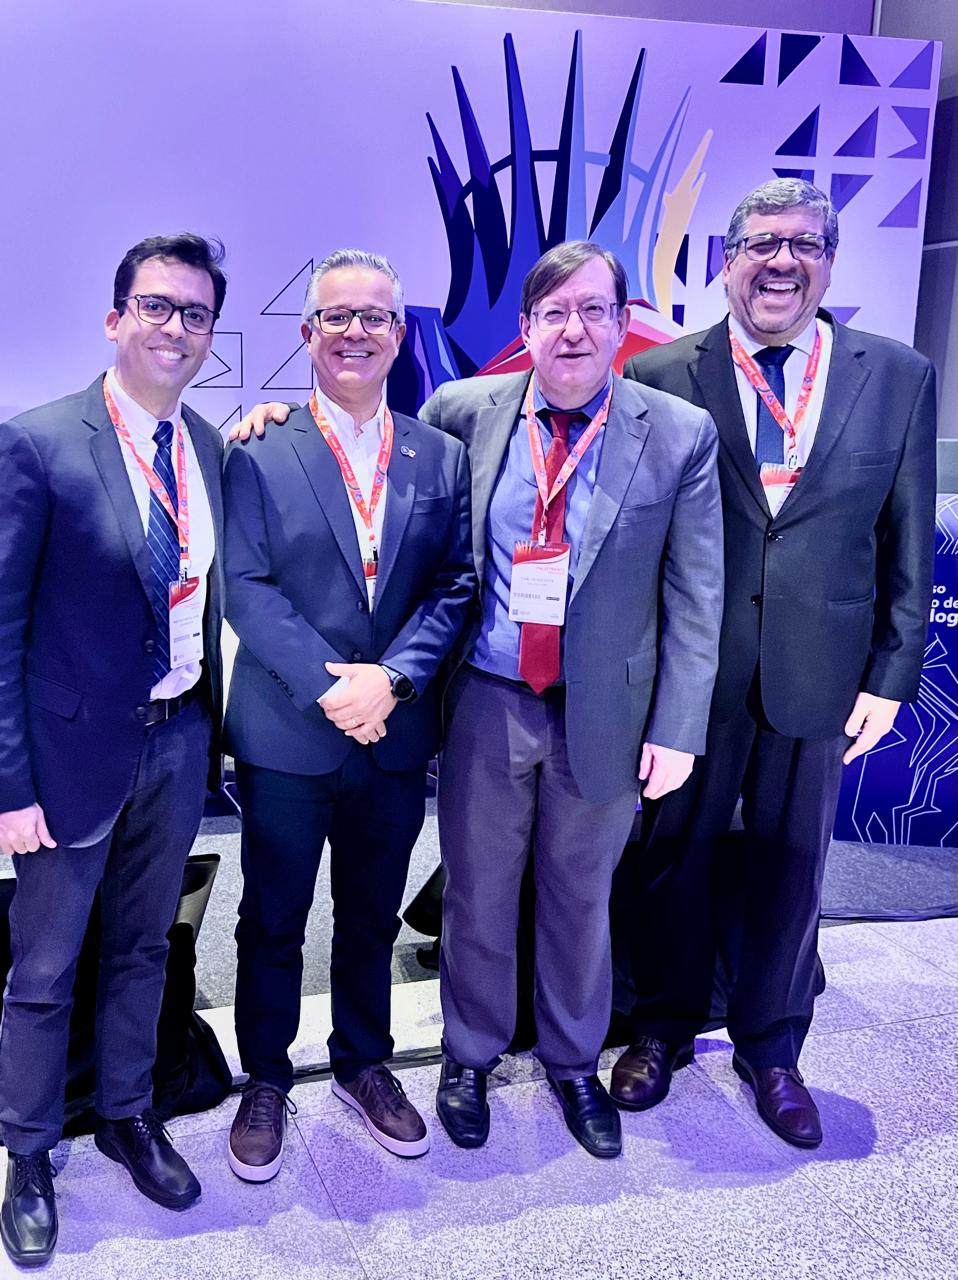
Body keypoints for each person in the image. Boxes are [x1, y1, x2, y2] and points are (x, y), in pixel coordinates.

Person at [611, 178, 938, 1149]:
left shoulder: (897, 373)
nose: (781, 261)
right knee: (673, 853)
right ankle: (662, 1025)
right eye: (760, 243)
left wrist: (892, 675)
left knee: (794, 866)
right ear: (727, 261)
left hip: (821, 668)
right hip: (693, 670)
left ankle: (773, 1045)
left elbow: (906, 539)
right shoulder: (662, 371)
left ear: (829, 262)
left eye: (803, 244)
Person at [419, 241, 723, 1159]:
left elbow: (696, 595)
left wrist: (678, 728)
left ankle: (572, 1061)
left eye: (594, 309)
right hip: (488, 698)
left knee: (580, 899)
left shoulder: (677, 433)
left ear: (622, 323)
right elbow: (392, 487)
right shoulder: (462, 412)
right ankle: (468, 1056)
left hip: (607, 713)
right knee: (476, 892)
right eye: (554, 312)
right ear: (526, 328)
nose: (574, 330)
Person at [0, 233, 227, 1265]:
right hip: (67, 760)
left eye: (195, 314)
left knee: (145, 946)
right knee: (44, 966)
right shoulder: (39, 443)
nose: (175, 327)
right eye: (156, 306)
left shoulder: (209, 448)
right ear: (115, 318)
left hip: (177, 740)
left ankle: (130, 1114)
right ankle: (28, 1150)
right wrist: (9, 784)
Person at [221, 249, 474, 1178]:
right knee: (272, 919)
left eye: (374, 317)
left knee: (370, 917)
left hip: (394, 736)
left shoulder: (439, 455)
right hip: (290, 731)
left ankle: (364, 1063)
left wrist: (393, 680)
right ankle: (265, 1076)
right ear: (307, 333)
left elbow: (455, 584)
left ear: (399, 335)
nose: (356, 332)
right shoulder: (257, 447)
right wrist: (335, 689)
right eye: (338, 316)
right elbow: (245, 586)